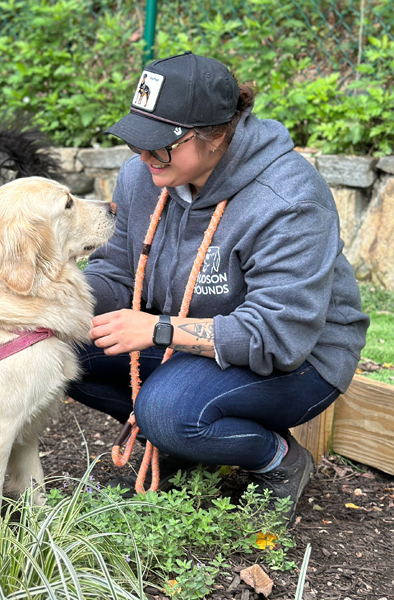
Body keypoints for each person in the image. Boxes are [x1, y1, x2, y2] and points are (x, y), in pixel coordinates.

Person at [68, 51, 369, 525]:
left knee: (167, 411)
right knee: (62, 347)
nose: (143, 157)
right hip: (187, 339)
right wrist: (35, 309)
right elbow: (117, 273)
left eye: (160, 145)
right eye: (136, 141)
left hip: (301, 359)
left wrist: (159, 329)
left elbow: (279, 337)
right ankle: (183, 444)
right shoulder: (142, 177)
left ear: (214, 136)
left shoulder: (288, 199)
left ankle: (279, 459)